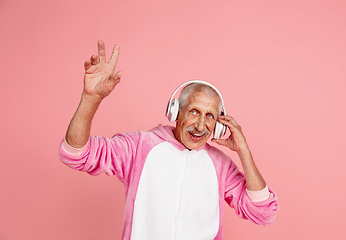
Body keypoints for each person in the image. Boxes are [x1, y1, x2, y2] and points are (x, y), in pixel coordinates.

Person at [58, 40, 279, 240]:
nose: (201, 126)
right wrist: (90, 99)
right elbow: (76, 154)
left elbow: (264, 212)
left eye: (209, 116)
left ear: (218, 124)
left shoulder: (220, 166)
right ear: (176, 113)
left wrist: (244, 150)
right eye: (193, 111)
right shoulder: (139, 147)